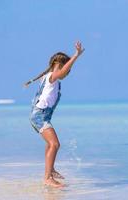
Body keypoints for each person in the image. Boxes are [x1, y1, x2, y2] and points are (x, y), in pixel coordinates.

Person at [24, 41, 85, 188]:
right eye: (67, 68)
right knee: (55, 144)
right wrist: (76, 55)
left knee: (50, 144)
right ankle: (47, 178)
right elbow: (62, 72)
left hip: (41, 115)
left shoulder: (51, 79)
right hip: (39, 116)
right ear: (59, 65)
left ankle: (50, 170)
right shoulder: (52, 77)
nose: (67, 72)